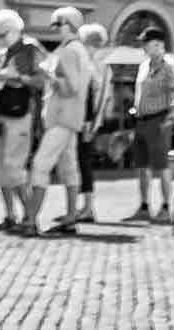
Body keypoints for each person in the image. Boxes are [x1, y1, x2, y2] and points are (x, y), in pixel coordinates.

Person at [24, 6, 92, 236]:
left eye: (59, 25)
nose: (56, 30)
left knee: (40, 166)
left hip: (62, 116)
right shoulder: (78, 49)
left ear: (69, 25)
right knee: (69, 168)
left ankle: (31, 220)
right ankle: (71, 218)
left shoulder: (68, 51)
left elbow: (70, 86)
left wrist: (49, 76)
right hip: (71, 117)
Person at [0, 9, 46, 233]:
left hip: (20, 114)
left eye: (3, 34)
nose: (1, 39)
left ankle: (30, 218)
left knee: (14, 168)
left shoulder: (31, 49)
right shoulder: (4, 53)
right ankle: (10, 215)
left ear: (13, 29)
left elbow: (42, 80)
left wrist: (18, 78)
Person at [123, 26, 174, 224]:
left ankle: (166, 208)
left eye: (145, 43)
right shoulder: (144, 66)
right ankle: (144, 207)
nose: (142, 46)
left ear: (157, 45)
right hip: (141, 121)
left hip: (160, 120)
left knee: (162, 166)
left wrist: (171, 118)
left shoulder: (169, 66)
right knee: (141, 166)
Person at [74, 22, 112, 223]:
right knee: (82, 162)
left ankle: (88, 208)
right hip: (89, 121)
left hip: (85, 121)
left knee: (83, 163)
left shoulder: (94, 65)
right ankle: (84, 206)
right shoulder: (103, 65)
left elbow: (96, 98)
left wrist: (91, 123)